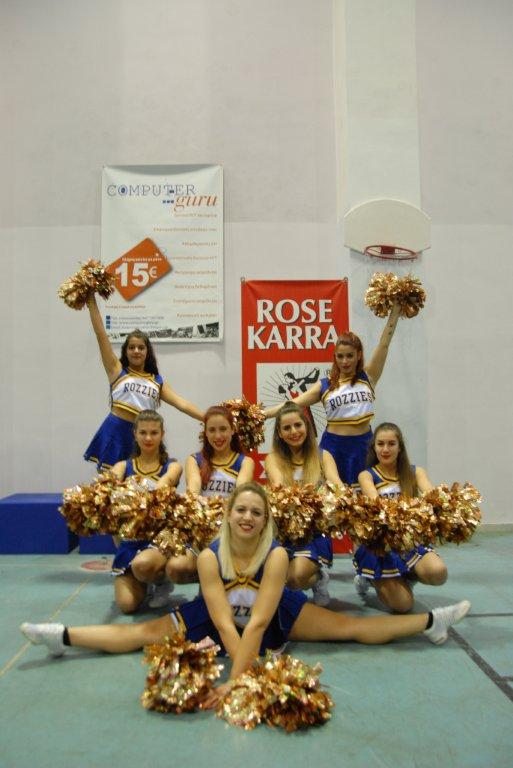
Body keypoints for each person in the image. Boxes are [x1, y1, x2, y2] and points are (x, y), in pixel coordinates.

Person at [21, 482, 471, 709]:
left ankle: (433, 623)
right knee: (143, 633)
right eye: (241, 510)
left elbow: (257, 622)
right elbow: (222, 621)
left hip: (271, 618)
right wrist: (243, 675)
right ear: (229, 513)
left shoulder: (275, 557)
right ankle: (61, 636)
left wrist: (234, 681)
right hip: (218, 622)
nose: (248, 518)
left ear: (265, 519)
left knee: (350, 628)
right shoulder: (207, 557)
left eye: (257, 512)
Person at [265, 304, 401, 486]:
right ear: (335, 357)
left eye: (350, 356)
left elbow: (384, 345)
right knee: (335, 494)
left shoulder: (368, 377)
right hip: (333, 447)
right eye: (340, 356)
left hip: (364, 444)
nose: (345, 361)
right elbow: (292, 404)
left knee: (365, 493)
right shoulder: (325, 385)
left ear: (359, 355)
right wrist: (262, 415)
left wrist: (395, 311)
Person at [84, 294, 203, 470]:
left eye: (141, 347)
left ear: (148, 351)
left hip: (143, 437)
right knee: (111, 483)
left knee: (141, 481)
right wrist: (91, 301)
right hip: (114, 432)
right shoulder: (117, 370)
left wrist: (207, 418)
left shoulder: (157, 381)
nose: (136, 351)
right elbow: (101, 334)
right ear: (125, 351)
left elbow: (182, 403)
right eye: (131, 347)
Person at [353, 422, 448, 613]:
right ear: (374, 447)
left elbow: (431, 493)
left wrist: (445, 502)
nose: (385, 449)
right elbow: (377, 504)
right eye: (380, 444)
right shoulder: (367, 475)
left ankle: (405, 576)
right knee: (403, 606)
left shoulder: (415, 472)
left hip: (408, 541)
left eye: (391, 444)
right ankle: (368, 578)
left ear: (400, 447)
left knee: (438, 573)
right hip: (381, 545)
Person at [165, 405, 255, 584]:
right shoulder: (195, 460)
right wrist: (197, 505)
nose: (218, 436)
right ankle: (207, 581)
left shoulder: (245, 462)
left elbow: (240, 494)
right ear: (205, 433)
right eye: (212, 430)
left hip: (230, 530)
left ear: (233, 430)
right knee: (176, 567)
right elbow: (193, 488)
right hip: (201, 530)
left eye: (223, 429)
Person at [264, 402, 341, 607]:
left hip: (314, 532)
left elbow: (337, 486)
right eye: (287, 428)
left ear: (307, 426)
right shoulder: (273, 459)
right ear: (279, 433)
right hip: (284, 531)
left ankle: (318, 578)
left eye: (298, 425)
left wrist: (339, 498)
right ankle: (316, 577)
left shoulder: (323, 456)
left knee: (294, 578)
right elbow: (280, 488)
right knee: (275, 580)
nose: (294, 431)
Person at [110, 410, 182, 613]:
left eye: (154, 432)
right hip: (131, 542)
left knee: (143, 565)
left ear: (162, 434)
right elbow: (107, 485)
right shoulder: (122, 467)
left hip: (160, 540)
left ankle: (161, 582)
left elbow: (166, 482)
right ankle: (144, 583)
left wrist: (140, 495)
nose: (148, 438)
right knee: (126, 605)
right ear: (134, 434)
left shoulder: (172, 466)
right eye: (143, 432)